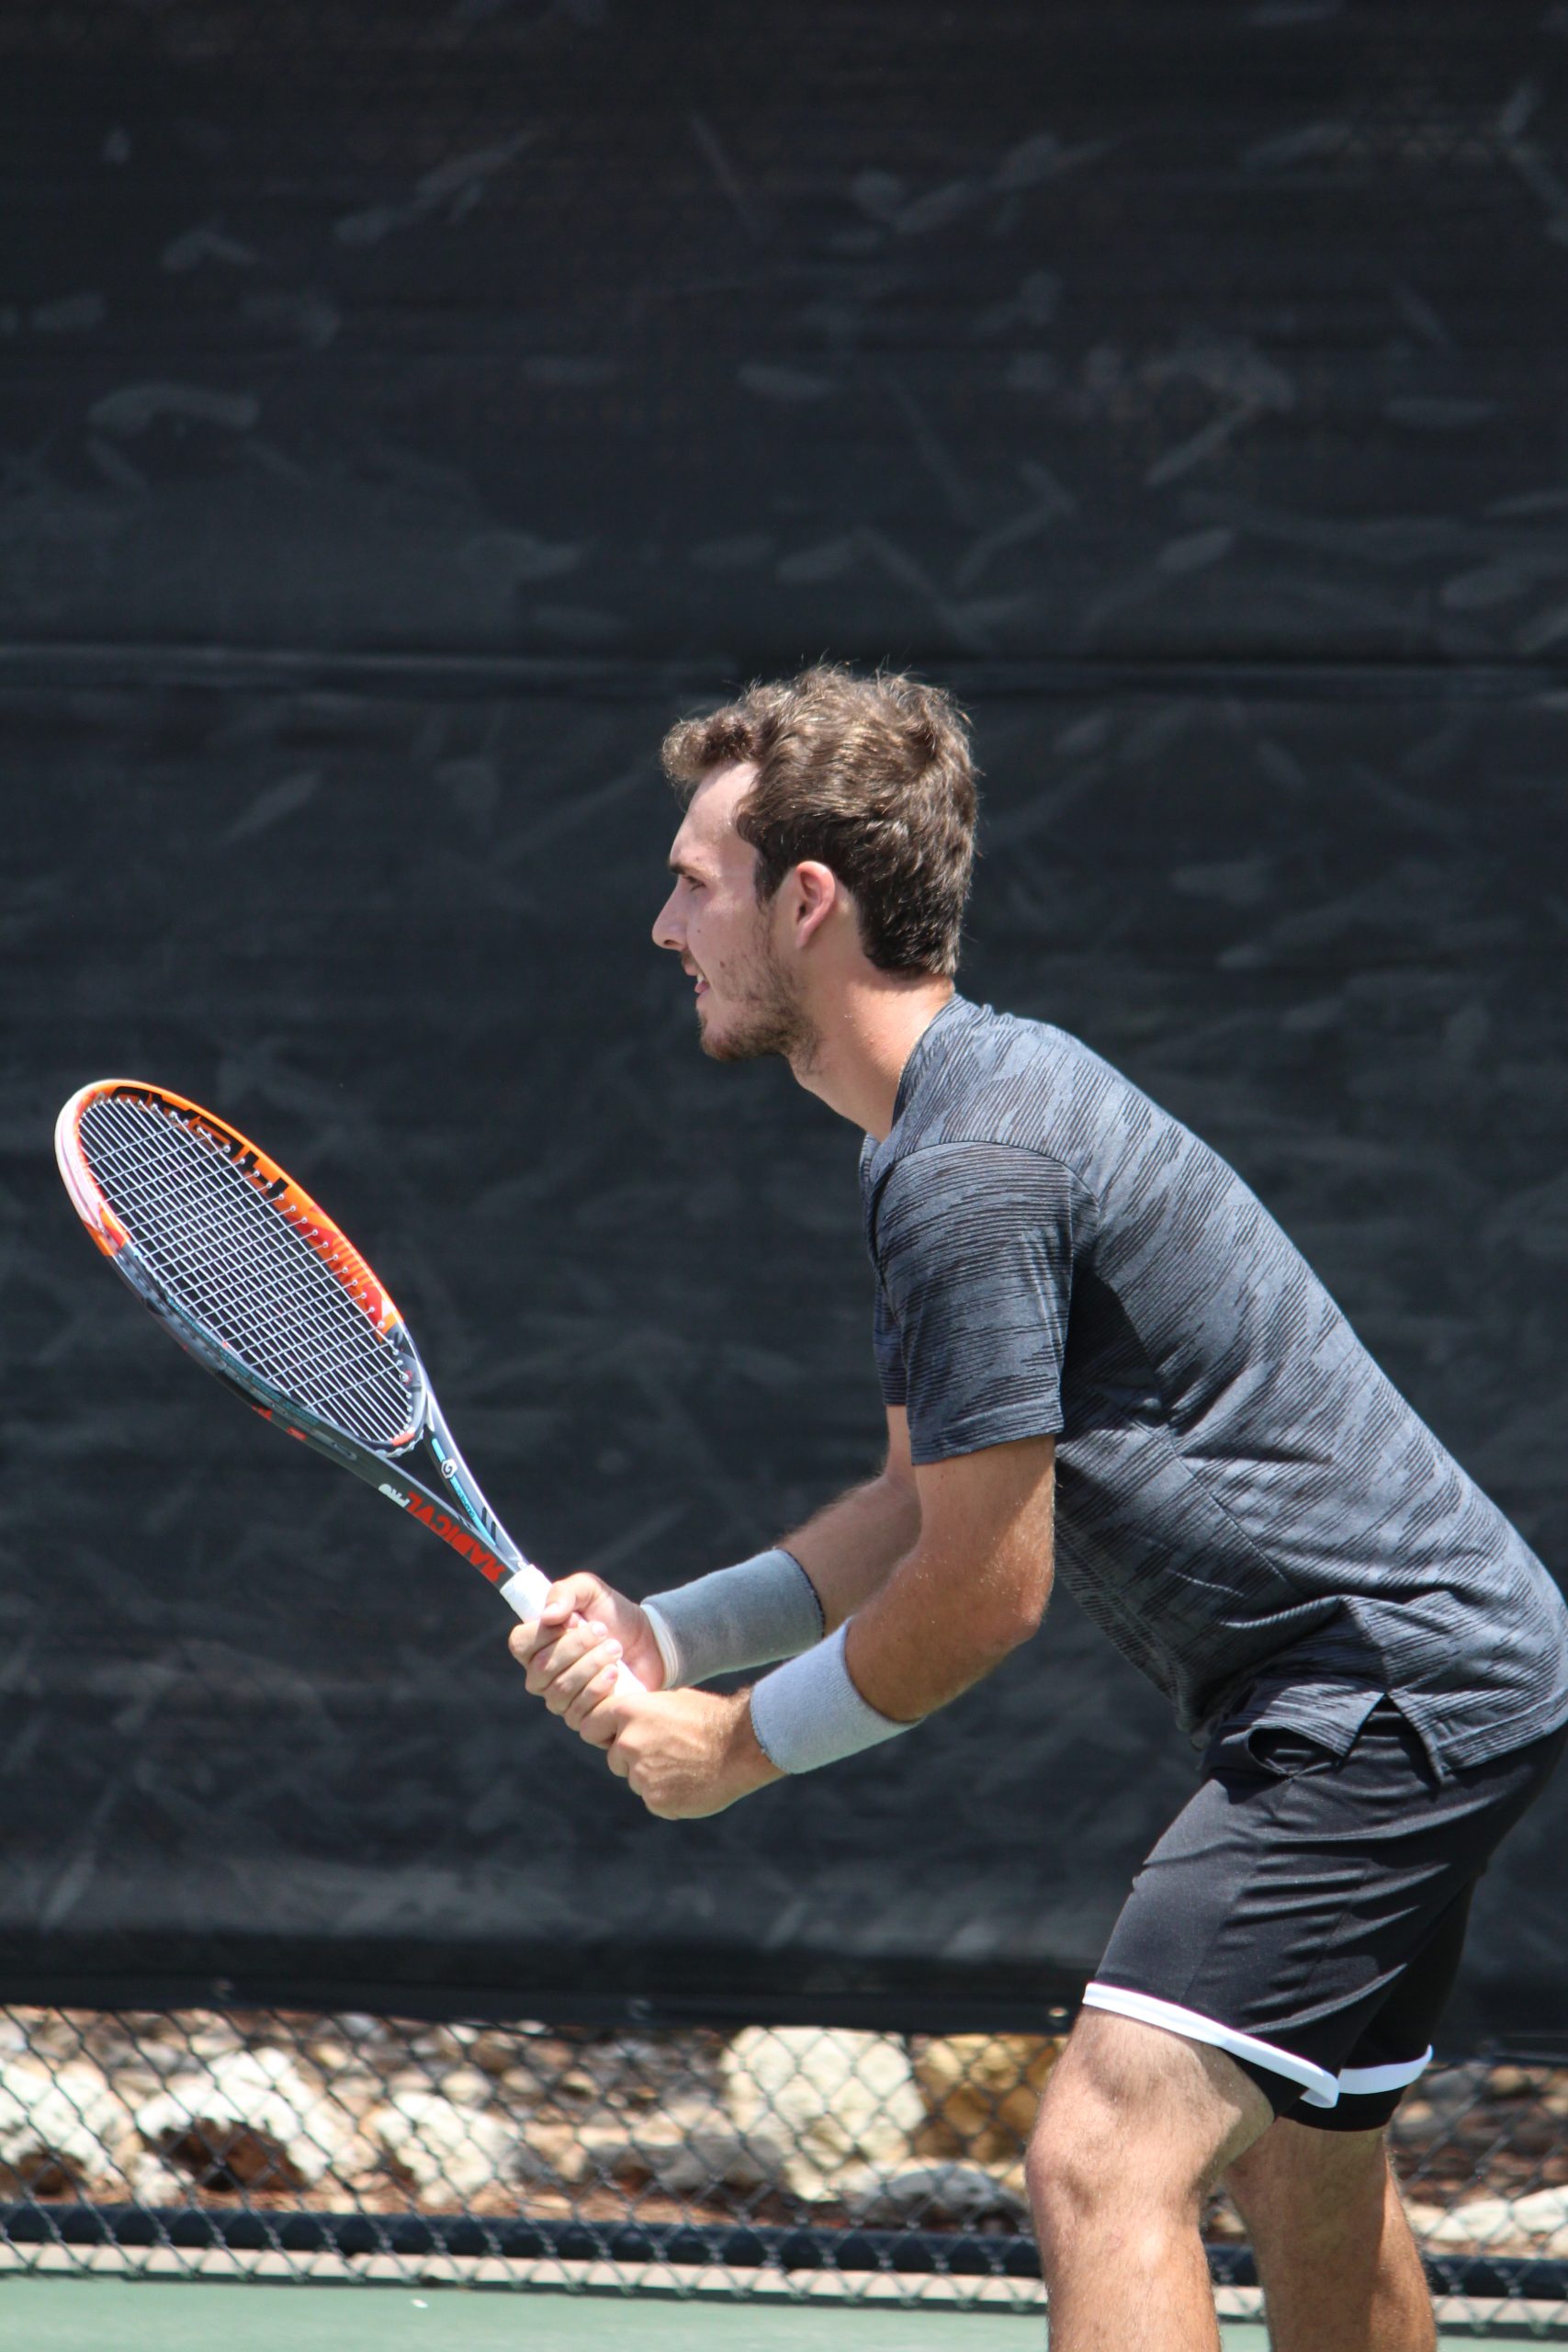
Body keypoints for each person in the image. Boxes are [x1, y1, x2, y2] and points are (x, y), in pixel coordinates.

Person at [509, 664, 1568, 2352]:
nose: (663, 927)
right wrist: (668, 1632)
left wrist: (731, 1750)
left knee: (1099, 2157)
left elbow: (981, 1592)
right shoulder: (942, 1123)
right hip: (1419, 1672)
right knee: (1310, 2158)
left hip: (1380, 1693)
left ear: (806, 901)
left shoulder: (968, 1164)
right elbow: (911, 1502)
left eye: (692, 882)